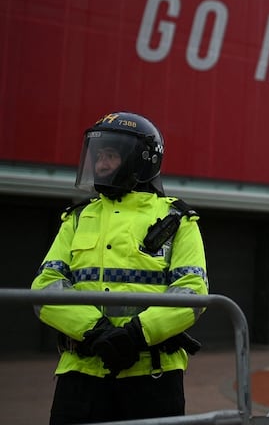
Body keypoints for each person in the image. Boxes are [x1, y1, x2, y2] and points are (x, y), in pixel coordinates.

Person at [31, 112, 209, 424]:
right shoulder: (76, 218)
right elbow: (46, 285)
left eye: (111, 155)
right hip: (80, 372)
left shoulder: (177, 220)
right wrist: (94, 331)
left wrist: (137, 335)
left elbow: (192, 292)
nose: (100, 163)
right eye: (98, 155)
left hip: (152, 373)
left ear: (142, 161)